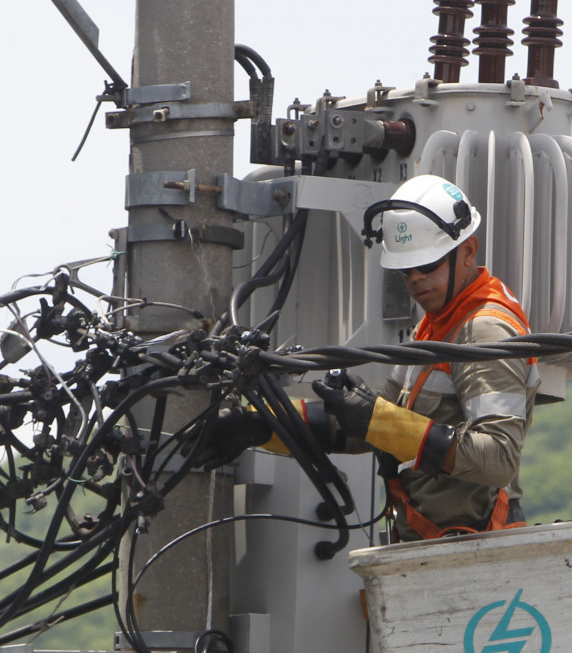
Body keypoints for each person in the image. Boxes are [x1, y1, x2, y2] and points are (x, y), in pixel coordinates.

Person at [204, 175, 539, 541]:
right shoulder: (435, 325)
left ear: (468, 251)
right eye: (405, 271)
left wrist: (378, 419)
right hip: (436, 545)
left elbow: (498, 460)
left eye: (428, 266)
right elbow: (378, 428)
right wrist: (262, 424)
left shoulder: (484, 329)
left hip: (474, 547)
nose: (416, 281)